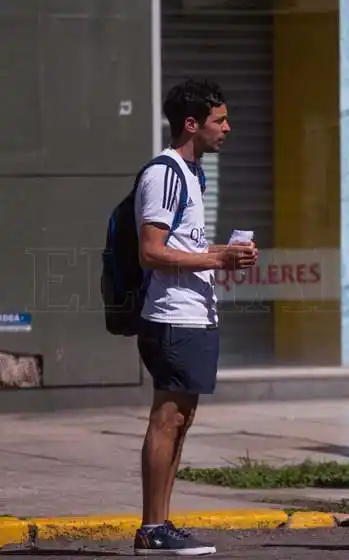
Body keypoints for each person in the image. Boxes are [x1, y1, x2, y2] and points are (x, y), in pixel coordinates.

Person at [133, 78, 258, 556]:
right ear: (192, 124)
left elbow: (182, 247)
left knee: (181, 420)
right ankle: (151, 528)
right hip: (172, 318)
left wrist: (223, 252)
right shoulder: (164, 174)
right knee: (167, 419)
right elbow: (152, 252)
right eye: (219, 120)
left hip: (194, 315)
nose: (228, 127)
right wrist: (218, 262)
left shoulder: (192, 174)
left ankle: (160, 525)